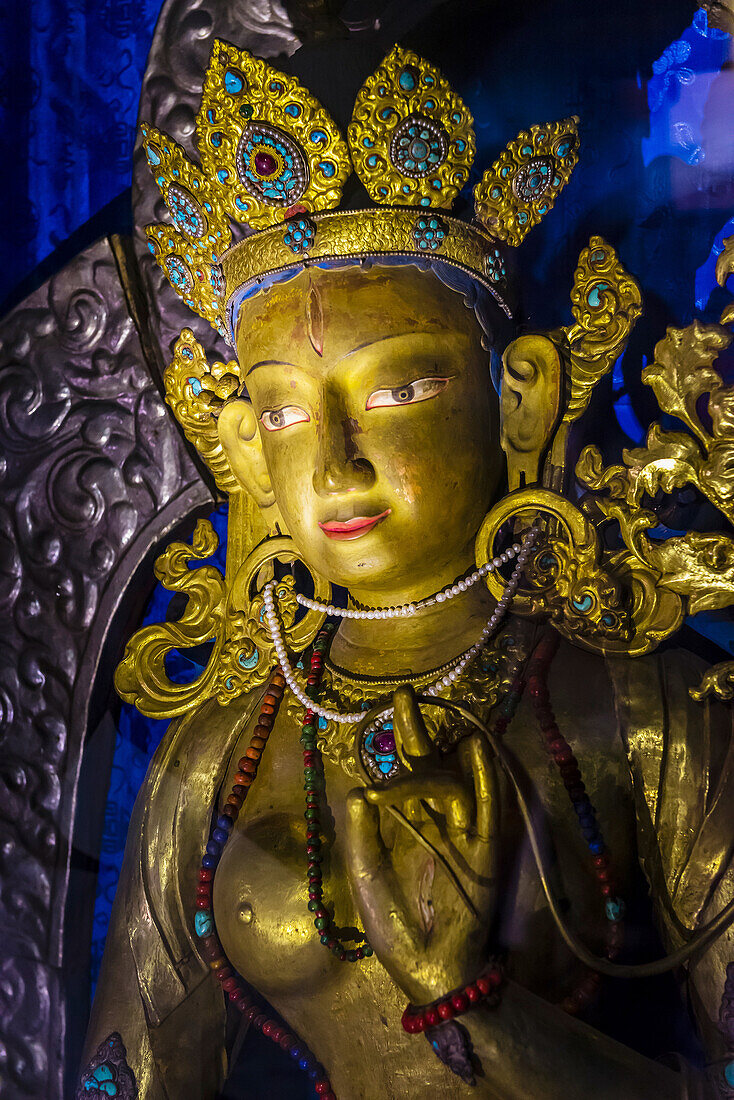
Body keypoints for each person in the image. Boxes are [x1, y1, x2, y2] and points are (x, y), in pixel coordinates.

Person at [79, 34, 734, 1100]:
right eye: (287, 411)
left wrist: (475, 1011)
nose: (334, 462)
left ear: (514, 398)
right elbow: (128, 1075)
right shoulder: (220, 751)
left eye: (398, 392)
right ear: (243, 447)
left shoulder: (647, 710)